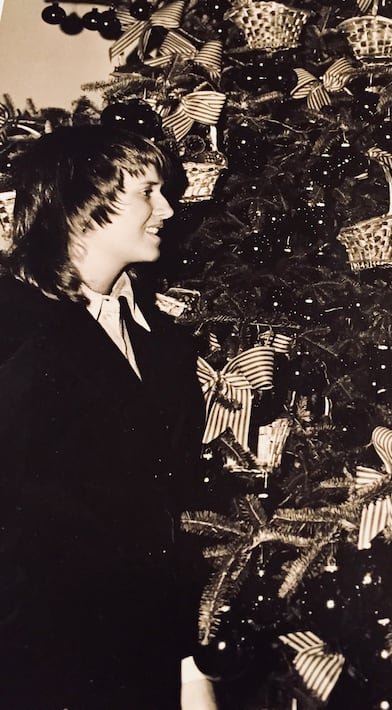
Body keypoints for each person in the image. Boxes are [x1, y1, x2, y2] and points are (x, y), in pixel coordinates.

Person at [0, 125, 216, 709]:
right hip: (34, 662)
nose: (168, 209)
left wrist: (192, 670)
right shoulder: (11, 333)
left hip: (142, 655)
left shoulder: (166, 345)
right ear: (79, 203)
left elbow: (170, 518)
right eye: (148, 191)